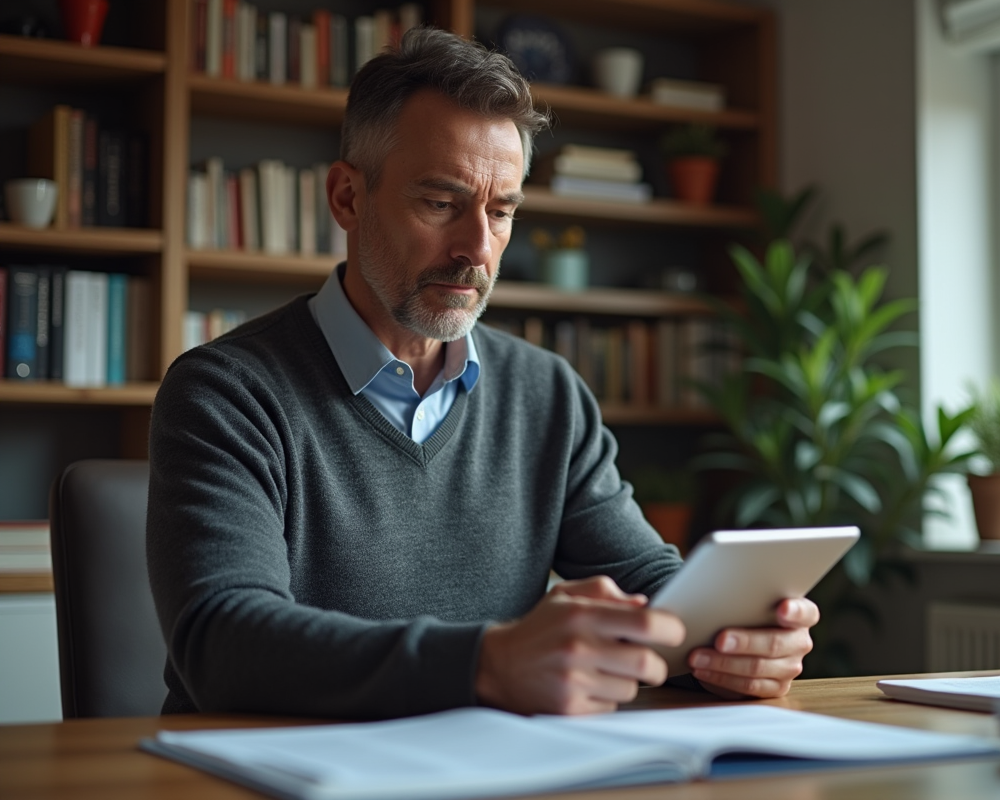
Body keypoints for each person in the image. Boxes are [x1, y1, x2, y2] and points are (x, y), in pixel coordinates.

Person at [146, 27, 818, 720]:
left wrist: (730, 643)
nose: (477, 249)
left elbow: (649, 582)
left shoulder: (547, 393)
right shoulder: (226, 392)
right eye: (440, 204)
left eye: (501, 212)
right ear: (347, 198)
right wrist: (486, 664)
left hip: (490, 770)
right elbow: (221, 642)